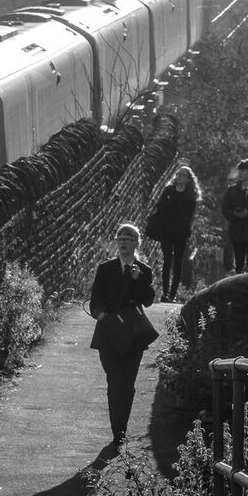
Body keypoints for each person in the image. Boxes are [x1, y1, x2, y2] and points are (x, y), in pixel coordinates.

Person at [89, 223, 155, 447]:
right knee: (114, 380)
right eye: (120, 238)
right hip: (109, 333)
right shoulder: (105, 269)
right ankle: (117, 428)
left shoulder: (144, 270)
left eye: (128, 238)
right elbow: (95, 298)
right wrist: (99, 315)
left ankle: (121, 429)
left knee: (127, 383)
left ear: (137, 243)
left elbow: (148, 300)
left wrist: (140, 279)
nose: (124, 242)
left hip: (133, 335)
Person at [154, 164, 202, 302]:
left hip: (180, 232)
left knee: (178, 262)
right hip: (166, 231)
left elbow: (188, 216)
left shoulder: (190, 195)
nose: (179, 177)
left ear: (188, 179)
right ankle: (165, 293)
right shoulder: (168, 190)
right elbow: (160, 207)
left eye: (182, 175)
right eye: (178, 174)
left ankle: (173, 294)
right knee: (167, 259)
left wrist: (178, 224)